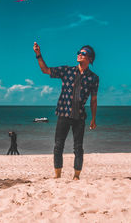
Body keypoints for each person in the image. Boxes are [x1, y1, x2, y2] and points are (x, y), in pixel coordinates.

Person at [33, 42, 99, 180]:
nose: (79, 54)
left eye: (83, 53)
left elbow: (93, 100)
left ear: (90, 59)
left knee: (78, 148)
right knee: (58, 145)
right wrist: (38, 54)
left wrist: (93, 119)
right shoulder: (67, 70)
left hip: (80, 116)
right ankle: (57, 175)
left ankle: (76, 176)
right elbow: (45, 70)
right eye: (79, 52)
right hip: (63, 113)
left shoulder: (94, 78)